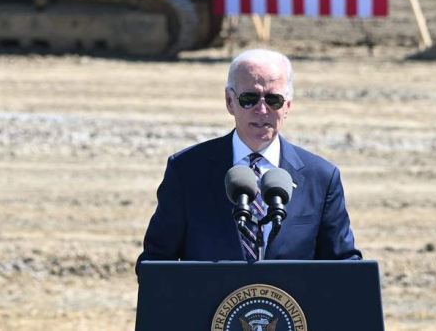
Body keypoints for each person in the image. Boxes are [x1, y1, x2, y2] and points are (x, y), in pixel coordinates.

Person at [137, 49, 361, 265]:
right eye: (249, 98)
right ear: (229, 101)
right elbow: (156, 262)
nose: (262, 110)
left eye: (274, 100)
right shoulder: (186, 170)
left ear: (288, 106)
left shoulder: (321, 178)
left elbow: (344, 267)